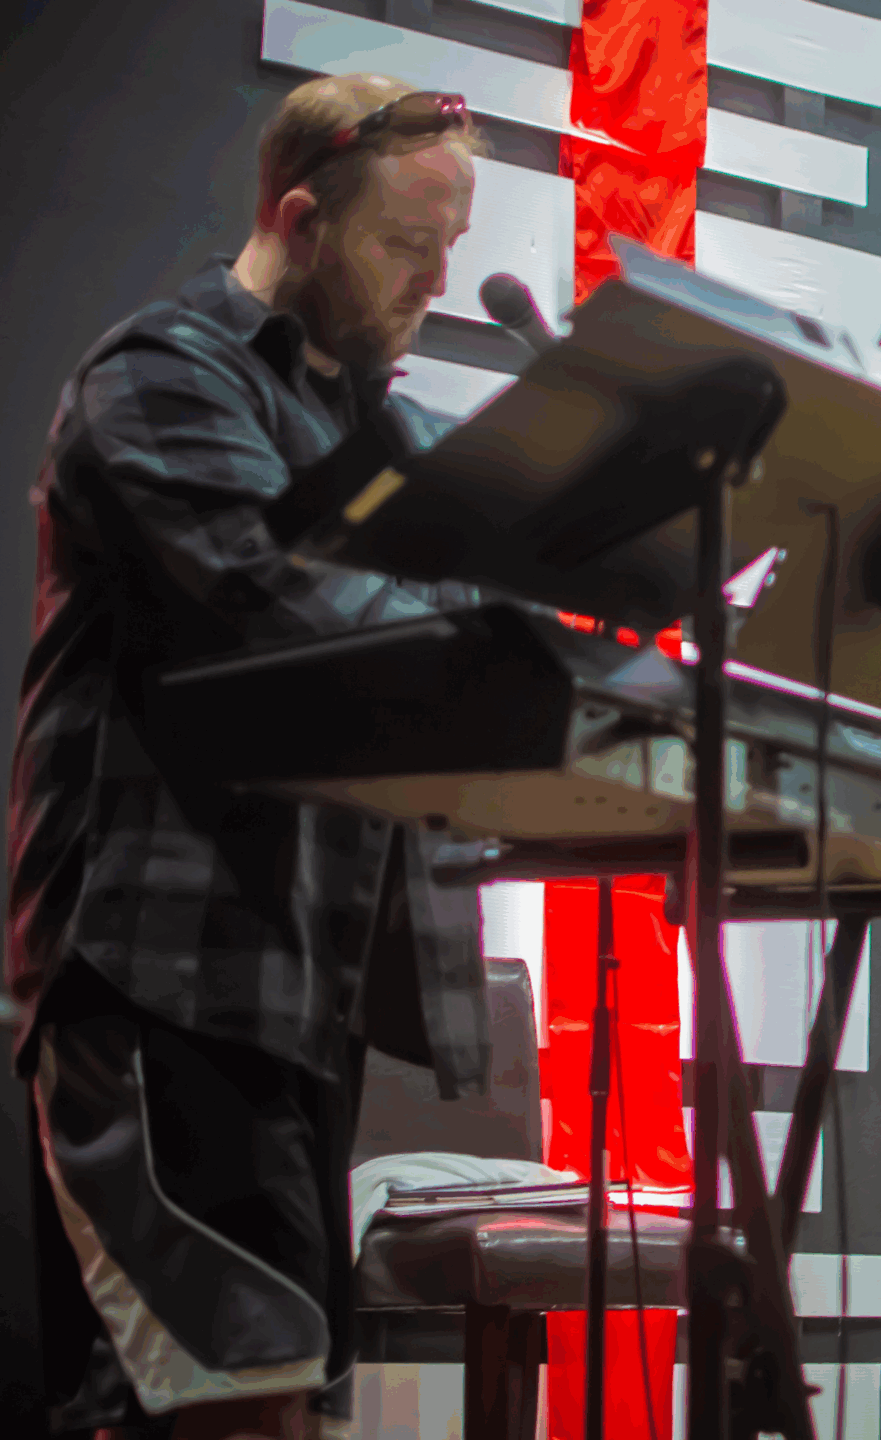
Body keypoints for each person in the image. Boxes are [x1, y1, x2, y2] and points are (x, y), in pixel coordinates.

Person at [10, 74, 492, 1440]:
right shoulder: (161, 376)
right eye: (410, 248)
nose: (436, 283)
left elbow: (466, 618)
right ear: (299, 217)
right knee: (233, 1407)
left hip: (285, 995)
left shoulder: (379, 427)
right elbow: (294, 613)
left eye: (451, 248)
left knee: (267, 1401)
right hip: (156, 979)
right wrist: (506, 631)